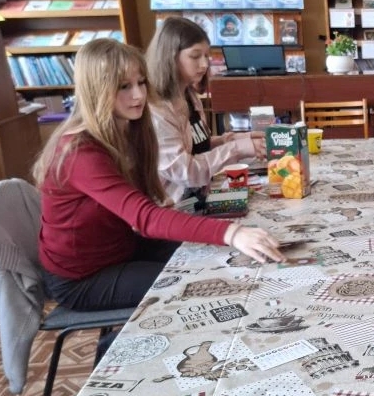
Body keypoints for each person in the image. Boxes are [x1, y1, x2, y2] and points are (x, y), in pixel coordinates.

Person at [35, 39, 283, 312]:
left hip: (124, 248)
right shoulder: (79, 150)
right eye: (124, 86)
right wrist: (232, 232)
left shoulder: (129, 129)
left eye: (141, 83)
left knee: (221, 259)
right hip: (83, 277)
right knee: (207, 283)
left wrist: (228, 236)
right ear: (96, 89)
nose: (138, 95)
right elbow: (144, 217)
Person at [146, 17, 266, 204]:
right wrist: (237, 148)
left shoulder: (189, 95)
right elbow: (186, 171)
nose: (204, 64)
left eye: (206, 56)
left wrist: (239, 138)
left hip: (199, 199)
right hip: (173, 208)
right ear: (169, 56)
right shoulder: (156, 112)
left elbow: (199, 146)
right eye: (195, 56)